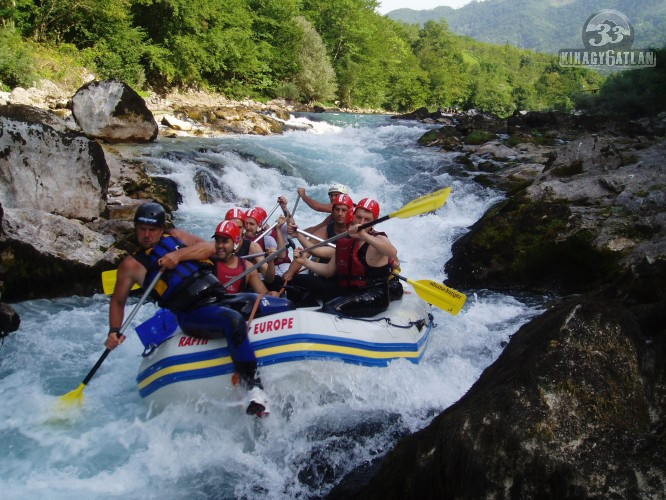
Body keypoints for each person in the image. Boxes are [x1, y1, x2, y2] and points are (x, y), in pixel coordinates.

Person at [106, 202, 269, 417]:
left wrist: (179, 256)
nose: (146, 235)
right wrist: (114, 330)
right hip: (192, 312)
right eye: (142, 229)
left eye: (152, 230)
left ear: (161, 229)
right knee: (234, 321)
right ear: (135, 228)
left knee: (277, 305)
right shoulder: (131, 265)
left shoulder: (176, 236)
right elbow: (118, 301)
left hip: (218, 297)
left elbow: (213, 248)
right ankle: (255, 390)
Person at [290, 198, 398, 317]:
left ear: (374, 221)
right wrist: (305, 261)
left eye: (367, 219)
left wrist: (363, 235)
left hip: (374, 295)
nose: (361, 222)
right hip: (349, 292)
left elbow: (392, 251)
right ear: (353, 216)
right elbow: (328, 270)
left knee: (330, 308)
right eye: (358, 217)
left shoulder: (379, 239)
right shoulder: (347, 242)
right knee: (299, 284)